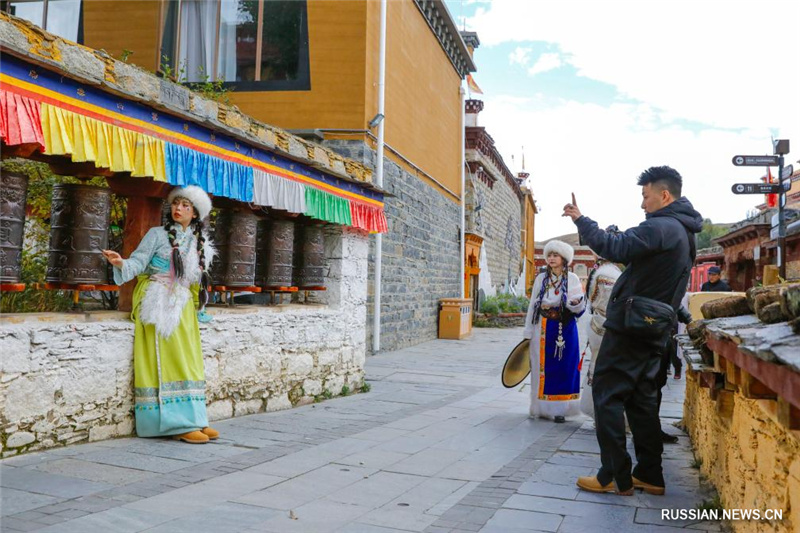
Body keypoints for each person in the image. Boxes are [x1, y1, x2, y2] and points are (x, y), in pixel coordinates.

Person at [562, 166, 703, 496]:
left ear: (664, 195)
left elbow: (617, 247)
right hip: (655, 328)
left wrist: (582, 220)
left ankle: (613, 474)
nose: (642, 204)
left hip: (631, 326)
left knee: (607, 395)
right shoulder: (685, 232)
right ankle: (650, 474)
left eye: (645, 196)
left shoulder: (661, 226)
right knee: (641, 401)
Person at [103, 185, 218, 444]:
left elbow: (197, 281)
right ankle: (175, 423)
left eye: (186, 206)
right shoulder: (156, 235)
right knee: (168, 360)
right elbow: (138, 262)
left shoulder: (200, 243)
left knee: (189, 361)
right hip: (157, 302)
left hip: (184, 305)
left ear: (196, 214)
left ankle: (196, 418)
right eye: (176, 204)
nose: (178, 209)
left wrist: (201, 307)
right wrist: (120, 262)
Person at [523, 240, 586, 423]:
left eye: (555, 255)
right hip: (542, 327)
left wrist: (574, 303)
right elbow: (532, 305)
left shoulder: (572, 279)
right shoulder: (540, 279)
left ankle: (562, 410)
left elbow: (578, 305)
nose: (551, 258)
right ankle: (541, 408)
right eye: (549, 255)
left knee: (565, 368)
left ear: (564, 258)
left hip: (564, 328)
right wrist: (528, 331)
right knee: (541, 368)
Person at [579, 257, 622, 419]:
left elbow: (593, 301)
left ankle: (598, 410)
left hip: (598, 325)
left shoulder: (602, 273)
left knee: (597, 368)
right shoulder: (610, 275)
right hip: (609, 327)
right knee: (607, 372)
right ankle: (605, 413)